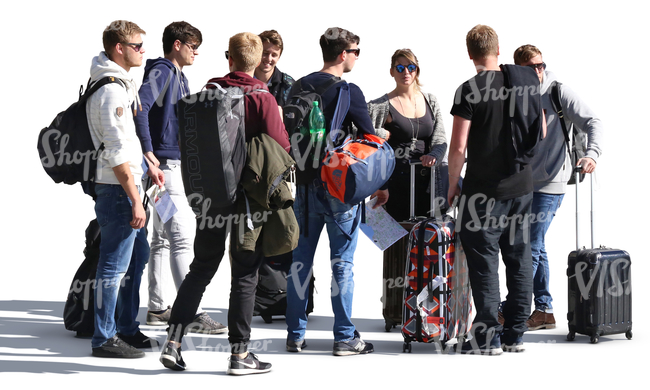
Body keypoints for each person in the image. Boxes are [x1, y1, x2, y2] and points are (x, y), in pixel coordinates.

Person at [160, 32, 290, 375]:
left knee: (201, 267)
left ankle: (173, 343)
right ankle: (240, 355)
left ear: (228, 57)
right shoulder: (263, 97)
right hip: (248, 201)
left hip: (211, 196)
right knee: (245, 273)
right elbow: (282, 147)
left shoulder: (210, 89)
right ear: (258, 58)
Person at [448, 25, 545, 355]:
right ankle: (515, 335)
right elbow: (541, 129)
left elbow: (458, 147)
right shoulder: (525, 81)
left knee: (484, 262)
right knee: (519, 258)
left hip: (482, 194)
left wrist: (451, 185)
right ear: (498, 50)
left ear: (470, 54)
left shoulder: (468, 90)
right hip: (521, 188)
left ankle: (487, 339)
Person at [285, 27, 377, 356]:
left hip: (304, 186)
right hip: (338, 189)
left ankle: (294, 334)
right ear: (342, 54)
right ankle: (344, 337)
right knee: (342, 264)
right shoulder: (348, 91)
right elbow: (369, 137)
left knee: (300, 263)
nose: (356, 56)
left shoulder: (299, 86)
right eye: (356, 51)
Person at [133, 21, 226, 334]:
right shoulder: (162, 71)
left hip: (164, 170)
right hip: (165, 172)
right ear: (176, 44)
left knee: (161, 239)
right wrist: (149, 152)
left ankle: (158, 307)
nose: (195, 53)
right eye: (192, 46)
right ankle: (193, 313)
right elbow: (140, 106)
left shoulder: (178, 76)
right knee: (181, 239)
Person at [86, 20, 165, 358]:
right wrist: (135, 199)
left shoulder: (122, 84)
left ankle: (126, 328)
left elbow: (127, 144)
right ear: (119, 48)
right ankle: (104, 338)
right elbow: (116, 151)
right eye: (137, 45)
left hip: (130, 184)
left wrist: (148, 162)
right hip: (119, 189)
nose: (143, 51)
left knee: (136, 260)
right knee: (113, 266)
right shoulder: (110, 91)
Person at [513, 44, 603, 331]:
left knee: (531, 243)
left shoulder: (557, 91)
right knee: (530, 244)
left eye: (541, 65)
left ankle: (536, 308)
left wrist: (592, 153)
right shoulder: (513, 93)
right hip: (523, 183)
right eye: (531, 68)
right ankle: (542, 309)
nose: (538, 72)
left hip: (552, 181)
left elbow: (593, 121)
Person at [367, 48, 447, 219]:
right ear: (392, 72)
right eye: (400, 68)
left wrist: (435, 154)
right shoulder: (379, 105)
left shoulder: (430, 100)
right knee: (396, 241)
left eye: (411, 67)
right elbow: (361, 137)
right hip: (394, 184)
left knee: (425, 239)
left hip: (428, 184)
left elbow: (440, 138)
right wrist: (379, 133)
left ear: (417, 70)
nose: (406, 72)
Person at [254, 30, 295, 107]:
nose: (269, 59)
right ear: (256, 53)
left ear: (279, 57)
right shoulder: (242, 81)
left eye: (274, 55)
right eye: (265, 53)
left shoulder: (288, 85)